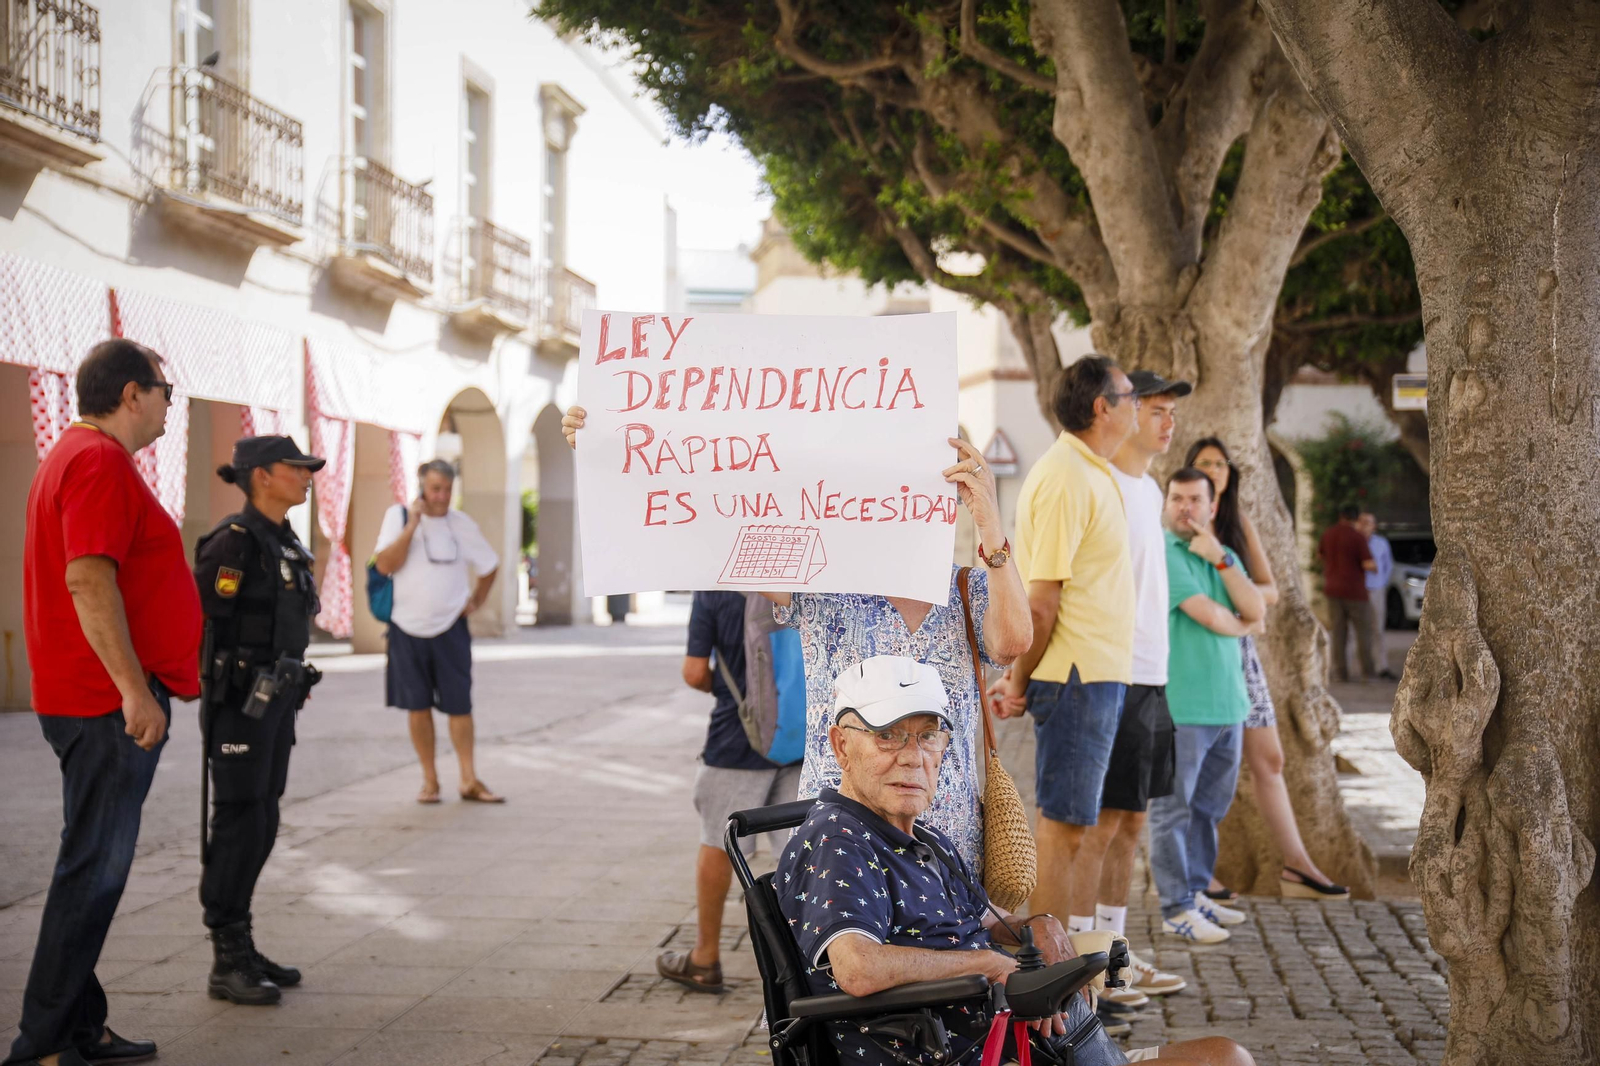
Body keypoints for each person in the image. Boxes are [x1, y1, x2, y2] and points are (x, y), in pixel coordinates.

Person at [561, 405, 1032, 872]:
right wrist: (620, 456)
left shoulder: (969, 590)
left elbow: (1012, 644)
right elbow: (713, 532)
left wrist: (991, 527)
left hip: (946, 844)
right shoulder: (828, 581)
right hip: (843, 844)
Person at [777, 655, 1254, 1066]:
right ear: (841, 746)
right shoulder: (839, 842)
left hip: (1033, 1039)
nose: (913, 757)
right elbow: (858, 967)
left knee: (1226, 1055)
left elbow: (989, 919)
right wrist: (989, 965)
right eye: (888, 736)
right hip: (962, 1051)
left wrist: (1037, 925)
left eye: (927, 736)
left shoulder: (922, 837)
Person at [12, 339, 198, 1066]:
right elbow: (88, 579)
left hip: (87, 698)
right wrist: (133, 691)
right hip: (102, 704)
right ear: (131, 394)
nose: (168, 406)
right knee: (92, 873)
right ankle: (44, 1042)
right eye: (164, 392)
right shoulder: (97, 460)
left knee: (87, 862)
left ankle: (81, 1026)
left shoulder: (75, 453)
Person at [997, 356, 1138, 935]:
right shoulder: (1065, 477)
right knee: (1063, 830)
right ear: (1103, 407)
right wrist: (1017, 681)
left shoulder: (1091, 471)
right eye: (1130, 395)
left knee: (1078, 827)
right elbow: (1041, 602)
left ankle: (1069, 960)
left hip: (1095, 675)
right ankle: (1046, 966)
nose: (1136, 405)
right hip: (1076, 677)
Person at [193, 436, 325, 1004]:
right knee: (239, 819)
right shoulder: (235, 542)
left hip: (277, 701)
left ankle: (242, 941)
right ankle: (227, 958)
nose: (306, 476)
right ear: (262, 476)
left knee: (264, 818)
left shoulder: (285, 542)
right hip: (239, 706)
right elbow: (201, 621)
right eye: (296, 468)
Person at [1189, 439, 1349, 903]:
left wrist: (1232, 585)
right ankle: (1196, 873)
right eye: (1203, 463)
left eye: (1219, 463)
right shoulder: (1180, 523)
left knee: (1270, 759)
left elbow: (1271, 591)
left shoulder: (1235, 522)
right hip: (1197, 653)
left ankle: (1297, 865)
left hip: (1241, 653)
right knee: (1197, 766)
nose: (1213, 470)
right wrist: (1236, 598)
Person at [1077, 370, 1189, 1005]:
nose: (1168, 422)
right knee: (1095, 826)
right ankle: (1085, 964)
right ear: (1121, 412)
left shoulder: (1148, 489)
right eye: (1156, 410)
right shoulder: (1103, 483)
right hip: (1109, 673)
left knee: (1131, 822)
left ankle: (1114, 953)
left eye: (1173, 412)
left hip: (1152, 672)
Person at [655, 591, 802, 993]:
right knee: (798, 852)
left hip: (737, 737)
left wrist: (730, 687)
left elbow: (693, 672)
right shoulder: (800, 580)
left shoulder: (714, 589)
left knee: (719, 844)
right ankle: (810, 961)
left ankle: (704, 958)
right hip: (801, 735)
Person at [1149, 468, 1263, 944]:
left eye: (1195, 499)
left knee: (1208, 810)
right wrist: (1244, 623)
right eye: (1177, 498)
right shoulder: (1163, 550)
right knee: (1172, 811)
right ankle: (1175, 907)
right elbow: (1212, 616)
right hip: (1182, 705)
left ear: (1212, 507)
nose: (1185, 508)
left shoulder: (1220, 554)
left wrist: (1221, 559)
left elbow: (1256, 608)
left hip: (1229, 705)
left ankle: (1196, 893)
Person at [372, 459, 503, 803]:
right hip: (405, 627)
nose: (442, 496)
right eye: (435, 489)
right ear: (421, 487)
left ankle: (468, 779)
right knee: (417, 706)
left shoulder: (461, 523)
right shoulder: (398, 517)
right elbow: (384, 565)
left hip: (451, 629)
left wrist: (476, 601)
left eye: (447, 489)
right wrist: (412, 526)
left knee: (460, 705)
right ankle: (429, 781)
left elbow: (490, 565)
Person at [1317, 504, 1377, 683]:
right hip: (1355, 591)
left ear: (1340, 516)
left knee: (1338, 633)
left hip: (1332, 589)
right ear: (1356, 518)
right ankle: (1368, 673)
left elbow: (1320, 556)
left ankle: (1340, 672)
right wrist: (1375, 568)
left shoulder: (1328, 534)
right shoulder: (1357, 537)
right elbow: (1368, 564)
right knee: (1363, 633)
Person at [1358, 511, 1397, 680]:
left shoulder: (1381, 543)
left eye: (1369, 522)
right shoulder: (1354, 541)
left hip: (1376, 589)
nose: (1365, 525)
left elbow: (1388, 565)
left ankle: (1381, 666)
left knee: (1377, 629)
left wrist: (1382, 583)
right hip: (1357, 591)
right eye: (1362, 522)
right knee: (1356, 630)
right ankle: (1359, 667)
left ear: (1374, 526)